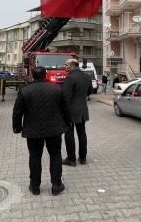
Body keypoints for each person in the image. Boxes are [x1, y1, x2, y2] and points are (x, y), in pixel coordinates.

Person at [12, 66, 70, 196]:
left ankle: (35, 186)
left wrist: (17, 127)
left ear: (32, 76)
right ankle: (56, 185)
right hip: (54, 129)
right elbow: (66, 108)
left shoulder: (25, 91)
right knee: (55, 154)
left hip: (33, 130)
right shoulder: (57, 89)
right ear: (46, 75)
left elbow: (17, 111)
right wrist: (67, 123)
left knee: (35, 156)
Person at [61, 59, 93, 167]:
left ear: (73, 66)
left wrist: (62, 111)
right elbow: (90, 91)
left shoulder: (70, 77)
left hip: (70, 111)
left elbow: (66, 96)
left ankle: (71, 159)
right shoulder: (86, 76)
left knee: (69, 134)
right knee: (82, 133)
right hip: (82, 110)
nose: (64, 66)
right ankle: (83, 158)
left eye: (66, 65)